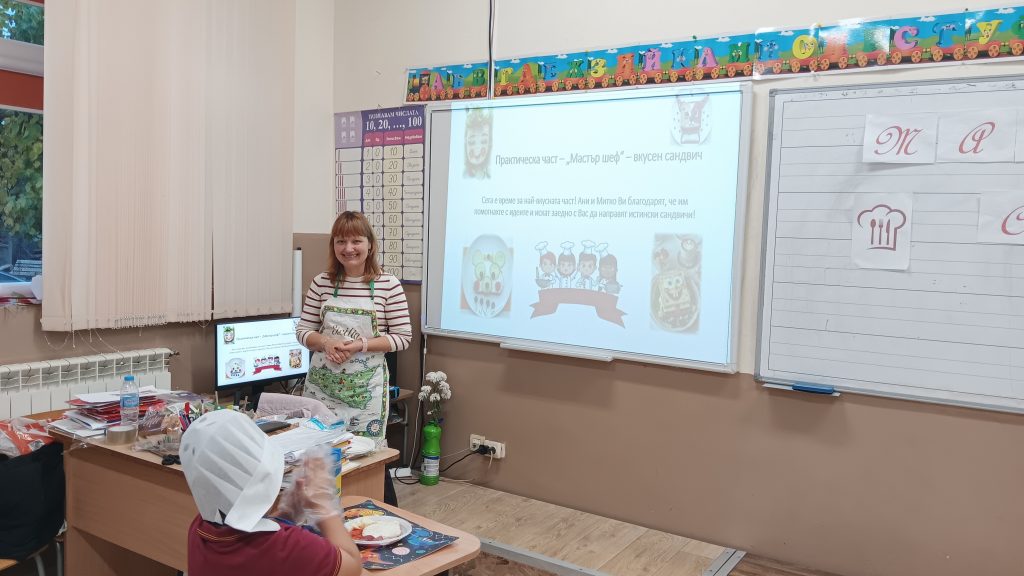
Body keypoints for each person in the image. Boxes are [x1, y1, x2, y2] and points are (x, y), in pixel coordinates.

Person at [296, 211, 412, 502]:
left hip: (365, 393)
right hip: (323, 390)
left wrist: (360, 345)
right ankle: (323, 519)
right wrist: (325, 342)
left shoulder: (388, 285)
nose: (348, 248)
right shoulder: (321, 283)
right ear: (333, 246)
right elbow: (302, 331)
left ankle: (380, 515)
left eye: (356, 241)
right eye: (340, 241)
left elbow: (402, 338)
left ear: (370, 244)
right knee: (321, 456)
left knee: (368, 458)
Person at [180, 410, 362, 576]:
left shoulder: (199, 528)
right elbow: (352, 567)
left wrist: (287, 514)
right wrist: (321, 504)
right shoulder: (287, 546)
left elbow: (252, 537)